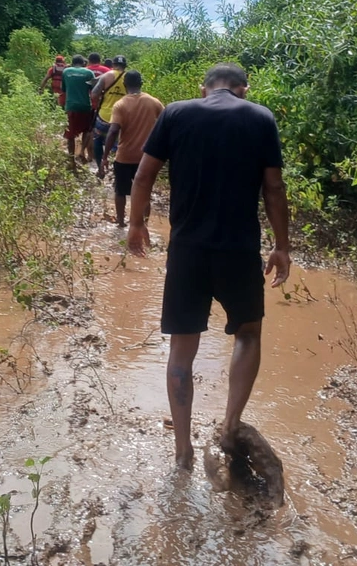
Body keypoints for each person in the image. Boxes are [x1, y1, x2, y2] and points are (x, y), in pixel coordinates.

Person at [126, 63, 290, 470]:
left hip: (187, 253)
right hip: (239, 251)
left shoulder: (177, 113)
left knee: (182, 351)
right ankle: (230, 427)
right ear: (243, 89)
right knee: (248, 334)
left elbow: (144, 175)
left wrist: (135, 223)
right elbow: (273, 187)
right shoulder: (260, 117)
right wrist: (282, 246)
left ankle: (183, 452)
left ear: (204, 90)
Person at [98, 70, 163, 227]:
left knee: (120, 191)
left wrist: (105, 157)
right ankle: (144, 225)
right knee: (145, 191)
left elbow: (113, 131)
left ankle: (121, 222)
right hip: (147, 157)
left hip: (125, 156)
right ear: (141, 83)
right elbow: (166, 124)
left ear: (125, 85)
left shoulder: (120, 104)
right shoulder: (154, 103)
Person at [90, 55, 127, 169]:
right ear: (125, 66)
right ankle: (116, 170)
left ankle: (100, 167)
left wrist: (102, 97)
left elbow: (94, 95)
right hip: (121, 118)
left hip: (104, 116)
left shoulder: (106, 76)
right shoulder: (129, 78)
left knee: (97, 139)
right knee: (120, 145)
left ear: (113, 65)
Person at [60, 55, 96, 163]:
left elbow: (64, 89)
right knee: (86, 130)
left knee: (70, 134)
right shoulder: (89, 73)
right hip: (85, 106)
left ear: (72, 63)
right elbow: (94, 91)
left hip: (71, 106)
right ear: (83, 63)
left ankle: (71, 159)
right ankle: (82, 152)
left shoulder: (66, 72)